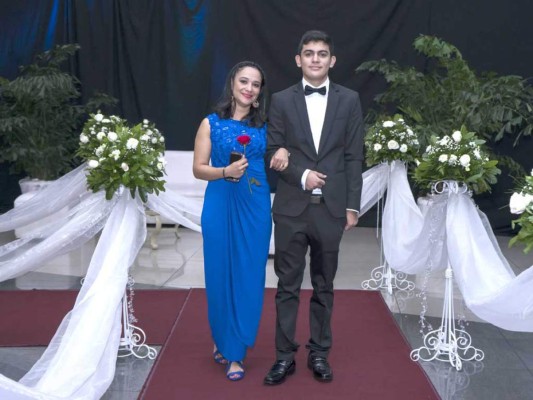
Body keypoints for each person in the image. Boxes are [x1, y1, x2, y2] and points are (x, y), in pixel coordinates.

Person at [264, 30, 364, 385]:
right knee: (287, 285)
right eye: (309, 53)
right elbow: (271, 150)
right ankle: (283, 356)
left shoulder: (350, 99)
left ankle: (319, 353)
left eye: (322, 53)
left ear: (332, 60)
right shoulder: (280, 100)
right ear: (298, 59)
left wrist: (353, 205)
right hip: (291, 208)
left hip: (332, 209)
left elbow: (354, 156)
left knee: (324, 285)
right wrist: (301, 174)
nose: (316, 59)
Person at [193, 61, 287, 381]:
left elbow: (282, 147)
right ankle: (224, 340)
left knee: (248, 274)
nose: (249, 88)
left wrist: (284, 149)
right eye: (244, 81)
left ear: (261, 91)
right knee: (219, 274)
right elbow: (198, 168)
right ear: (232, 83)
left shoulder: (267, 125)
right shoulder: (210, 123)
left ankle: (236, 352)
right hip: (219, 202)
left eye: (256, 84)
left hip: (255, 207)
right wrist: (225, 172)